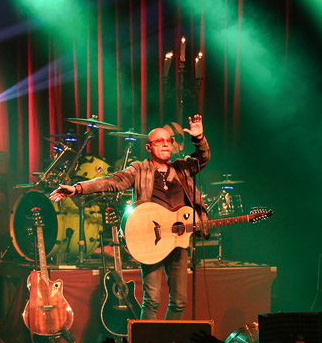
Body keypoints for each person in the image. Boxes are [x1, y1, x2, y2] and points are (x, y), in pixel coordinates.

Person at [50, 115, 208, 320]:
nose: (165, 144)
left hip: (178, 240)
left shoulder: (182, 168)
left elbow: (203, 157)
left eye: (169, 141)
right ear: (149, 147)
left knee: (179, 301)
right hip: (151, 239)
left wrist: (199, 138)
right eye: (159, 141)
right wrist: (78, 188)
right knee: (152, 300)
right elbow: (111, 181)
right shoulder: (140, 169)